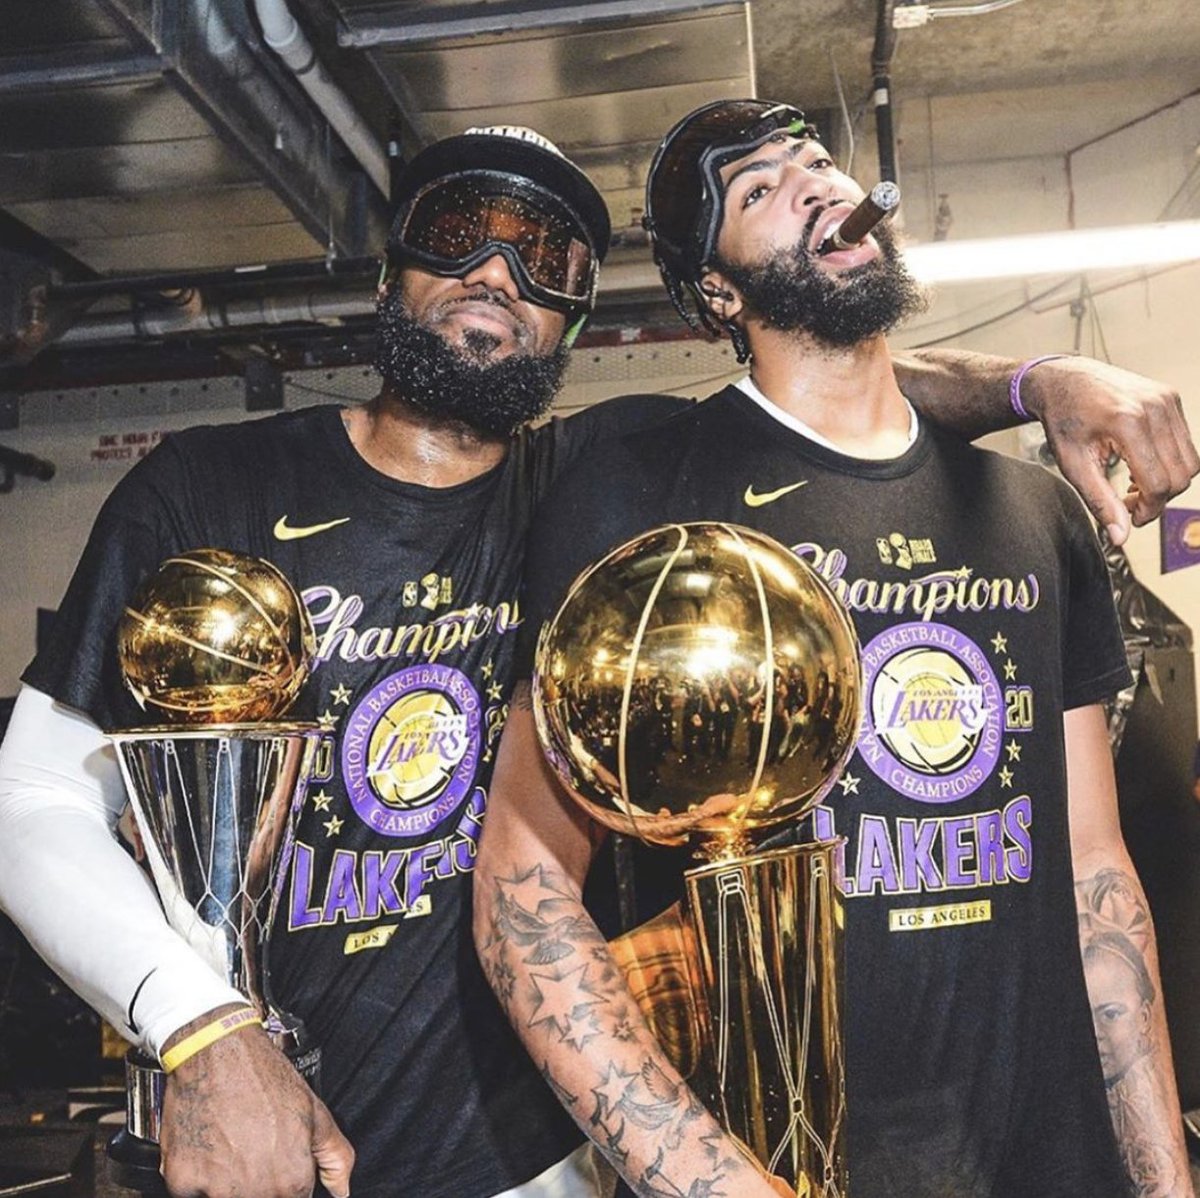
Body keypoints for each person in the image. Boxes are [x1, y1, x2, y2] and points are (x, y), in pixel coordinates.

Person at [0, 120, 1192, 1198]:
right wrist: (199, 1027)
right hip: (257, 1138)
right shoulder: (205, 487)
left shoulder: (596, 479)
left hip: (534, 1161)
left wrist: (1043, 382)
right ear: (386, 272)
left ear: (574, 319)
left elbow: (829, 382)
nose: (496, 274)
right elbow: (32, 800)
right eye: (457, 233)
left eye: (547, 261)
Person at [473, 100, 1194, 1198]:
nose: (814, 182)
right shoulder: (639, 495)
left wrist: (1164, 1174)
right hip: (787, 1158)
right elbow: (523, 882)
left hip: (1051, 1161)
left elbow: (1096, 871)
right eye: (759, 190)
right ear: (717, 292)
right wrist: (711, 1184)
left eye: (817, 160)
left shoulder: (1034, 511)